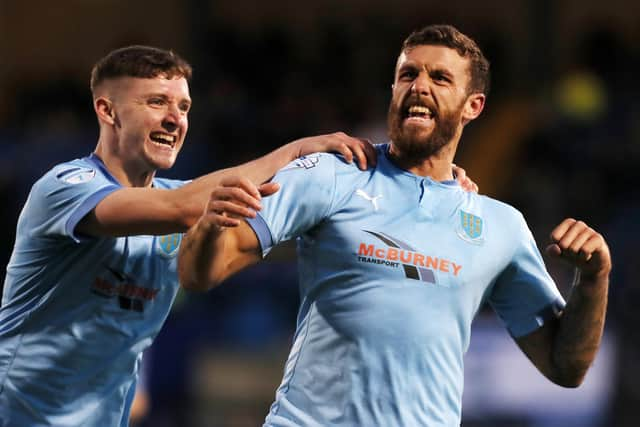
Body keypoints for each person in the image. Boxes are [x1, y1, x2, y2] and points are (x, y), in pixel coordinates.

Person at [178, 25, 612, 426]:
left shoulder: (500, 226)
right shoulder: (334, 174)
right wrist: (209, 226)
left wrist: (593, 279)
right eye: (408, 74)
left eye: (440, 78)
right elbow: (200, 274)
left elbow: (565, 367)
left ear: (473, 106)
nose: (419, 85)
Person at [0, 45, 385, 427]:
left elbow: (212, 247)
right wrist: (294, 151)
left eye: (183, 107)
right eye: (156, 102)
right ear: (107, 110)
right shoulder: (65, 188)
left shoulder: (185, 198)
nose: (175, 119)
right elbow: (183, 210)